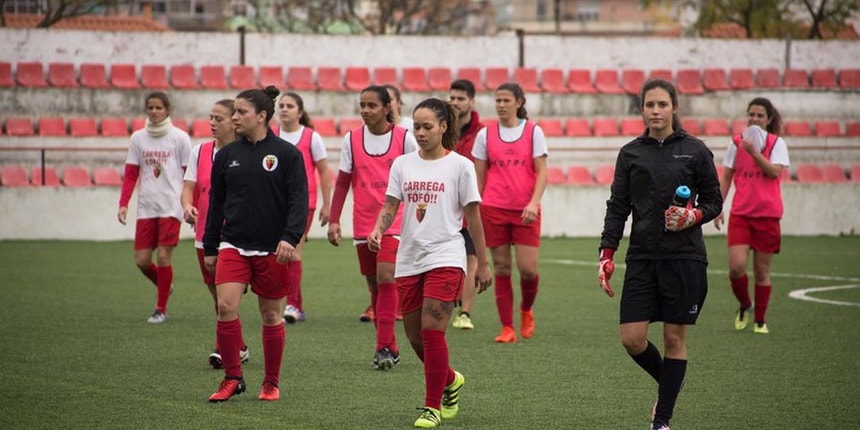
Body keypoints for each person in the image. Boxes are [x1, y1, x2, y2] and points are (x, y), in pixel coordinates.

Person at [598, 78, 722, 430]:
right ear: (642, 109)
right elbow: (618, 206)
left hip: (685, 258)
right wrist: (606, 254)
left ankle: (662, 420)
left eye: (662, 105)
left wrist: (692, 215)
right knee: (632, 338)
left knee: (673, 339)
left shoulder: (696, 150)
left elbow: (714, 201)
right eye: (649, 105)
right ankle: (671, 383)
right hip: (641, 258)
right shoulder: (630, 153)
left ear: (674, 108)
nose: (655, 110)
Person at [368, 97, 492, 428]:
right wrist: (379, 228)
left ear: (443, 127)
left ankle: (431, 406)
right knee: (414, 338)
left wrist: (482, 262)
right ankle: (450, 380)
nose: (420, 133)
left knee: (432, 330)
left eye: (427, 127)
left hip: (447, 255)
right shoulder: (403, 164)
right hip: (409, 257)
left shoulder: (461, 166)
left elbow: (474, 219)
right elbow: (391, 203)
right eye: (416, 127)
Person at [204, 86, 308, 402]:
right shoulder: (226, 156)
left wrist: (290, 238)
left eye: (241, 112)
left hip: (272, 249)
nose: (234, 117)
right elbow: (216, 203)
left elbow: (298, 201)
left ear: (261, 116)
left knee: (271, 317)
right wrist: (211, 246)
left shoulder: (288, 154)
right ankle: (233, 378)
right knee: (225, 307)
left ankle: (271, 383)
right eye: (233, 112)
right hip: (233, 244)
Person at [327, 85, 418, 370]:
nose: (365, 110)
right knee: (374, 284)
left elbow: (418, 173)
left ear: (387, 108)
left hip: (396, 220)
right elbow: (342, 181)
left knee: (386, 276)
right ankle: (388, 344)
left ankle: (384, 347)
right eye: (362, 105)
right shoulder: (351, 139)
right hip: (363, 220)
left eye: (372, 105)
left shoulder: (405, 138)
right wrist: (333, 219)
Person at [471, 82, 548, 343]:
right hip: (493, 208)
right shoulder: (485, 135)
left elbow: (542, 172)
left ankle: (526, 309)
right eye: (498, 101)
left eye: (506, 100)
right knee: (502, 268)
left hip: (525, 211)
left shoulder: (533, 131)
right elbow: (479, 178)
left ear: (519, 102)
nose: (501, 105)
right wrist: (474, 208)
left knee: (527, 269)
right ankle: (507, 328)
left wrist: (533, 203)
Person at [181, 99, 250, 369]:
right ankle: (239, 346)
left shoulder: (247, 152)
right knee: (218, 298)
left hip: (237, 236)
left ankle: (224, 347)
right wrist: (187, 205)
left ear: (233, 122)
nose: (212, 123)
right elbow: (189, 187)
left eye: (218, 118)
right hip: (205, 235)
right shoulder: (200, 152)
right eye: (210, 117)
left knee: (226, 298)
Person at [714, 97, 789, 335]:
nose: (755, 119)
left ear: (768, 120)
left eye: (760, 116)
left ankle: (760, 320)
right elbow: (726, 176)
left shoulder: (777, 143)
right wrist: (717, 206)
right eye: (751, 115)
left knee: (761, 271)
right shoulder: (736, 143)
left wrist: (755, 153)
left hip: (767, 216)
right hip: (741, 214)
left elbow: (773, 172)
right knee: (736, 267)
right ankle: (745, 304)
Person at [117, 91, 191, 324]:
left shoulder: (180, 138)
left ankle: (160, 309)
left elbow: (190, 173)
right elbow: (131, 173)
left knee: (163, 255)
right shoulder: (137, 138)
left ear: (167, 110)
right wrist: (123, 203)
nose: (154, 111)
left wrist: (191, 205)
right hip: (147, 206)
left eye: (159, 107)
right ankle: (164, 284)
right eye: (150, 107)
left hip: (171, 205)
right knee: (141, 260)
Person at [275, 91, 333, 324]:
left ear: (299, 112)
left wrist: (327, 204)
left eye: (290, 105)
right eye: (281, 105)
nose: (284, 109)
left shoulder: (311, 137)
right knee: (279, 254)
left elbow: (323, 172)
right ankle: (292, 303)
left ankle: (292, 305)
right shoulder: (272, 135)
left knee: (294, 251)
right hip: (276, 203)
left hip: (303, 203)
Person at [447, 78, 485, 330]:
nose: (455, 102)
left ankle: (465, 313)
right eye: (452, 97)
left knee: (472, 258)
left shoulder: (482, 133)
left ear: (471, 102)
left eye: (460, 98)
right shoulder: (440, 128)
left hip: (469, 204)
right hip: (443, 203)